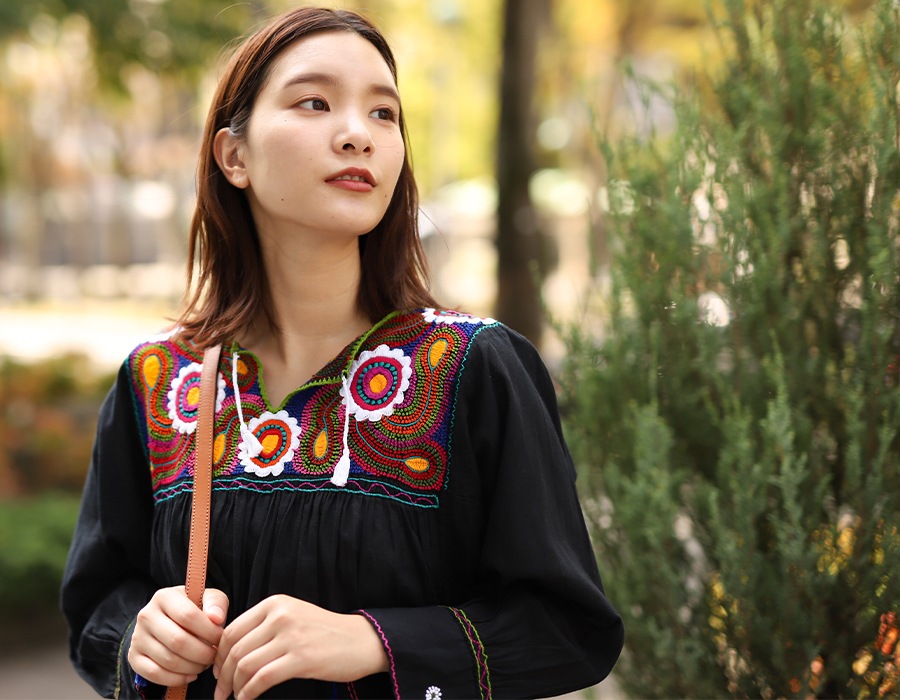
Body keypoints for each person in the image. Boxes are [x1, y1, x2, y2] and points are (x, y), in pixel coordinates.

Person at [61, 7, 624, 699]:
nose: (359, 134)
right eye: (315, 102)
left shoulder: (471, 366)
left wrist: (375, 642)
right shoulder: (159, 379)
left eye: (384, 114)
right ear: (234, 156)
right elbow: (98, 603)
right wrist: (142, 635)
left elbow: (565, 629)